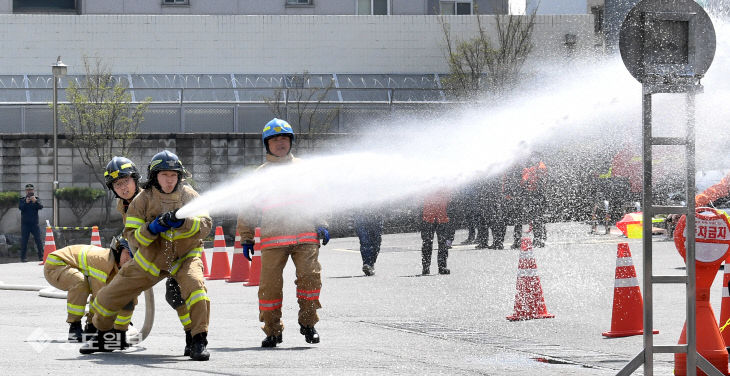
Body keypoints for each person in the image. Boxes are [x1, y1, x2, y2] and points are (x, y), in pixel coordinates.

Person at [81, 150, 212, 361]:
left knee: (193, 289)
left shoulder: (189, 195)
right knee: (109, 295)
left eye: (173, 175)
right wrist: (153, 227)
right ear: (154, 177)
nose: (169, 181)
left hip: (183, 257)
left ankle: (197, 339)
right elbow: (132, 235)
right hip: (149, 259)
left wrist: (184, 223)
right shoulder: (139, 201)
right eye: (164, 175)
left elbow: (205, 226)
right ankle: (103, 335)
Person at [237, 118, 328, 348]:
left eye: (284, 138)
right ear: (267, 144)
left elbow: (319, 199)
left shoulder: (304, 170)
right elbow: (247, 208)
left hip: (305, 236)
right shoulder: (260, 175)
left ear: (291, 142)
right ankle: (272, 332)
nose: (280, 143)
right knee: (269, 288)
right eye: (275, 139)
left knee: (310, 279)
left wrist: (323, 222)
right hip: (273, 239)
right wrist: (246, 237)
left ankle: (308, 324)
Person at [104, 156, 193, 356]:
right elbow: (132, 230)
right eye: (117, 184)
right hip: (147, 254)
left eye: (126, 181)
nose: (123, 188)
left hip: (172, 252)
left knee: (176, 293)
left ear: (136, 179)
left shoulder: (149, 196)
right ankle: (117, 332)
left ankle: (192, 335)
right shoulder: (124, 204)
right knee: (121, 285)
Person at [44, 239, 134, 343]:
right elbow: (99, 296)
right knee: (80, 283)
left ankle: (90, 327)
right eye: (127, 253)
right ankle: (74, 327)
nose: (129, 258)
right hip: (55, 264)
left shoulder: (116, 268)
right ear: (119, 251)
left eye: (133, 255)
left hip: (68, 265)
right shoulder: (103, 262)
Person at [420, 187, 453, 275]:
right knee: (428, 243)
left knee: (440, 243)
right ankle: (427, 267)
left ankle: (440, 266)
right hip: (431, 216)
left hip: (440, 216)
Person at [519, 153, 548, 247]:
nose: (533, 159)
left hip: (537, 195)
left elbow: (538, 182)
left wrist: (528, 185)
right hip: (534, 195)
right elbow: (525, 179)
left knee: (537, 218)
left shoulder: (540, 167)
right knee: (536, 218)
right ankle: (539, 238)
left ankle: (539, 239)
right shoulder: (534, 167)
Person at [354, 207, 384, 276]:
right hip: (360, 214)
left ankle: (371, 263)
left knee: (376, 241)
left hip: (376, 213)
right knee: (365, 241)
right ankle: (367, 263)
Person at [18, 183, 44, 262]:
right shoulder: (22, 199)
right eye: (28, 190)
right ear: (26, 191)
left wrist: (35, 201)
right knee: (24, 241)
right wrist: (26, 202)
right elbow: (20, 208)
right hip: (25, 224)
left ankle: (41, 256)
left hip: (34, 224)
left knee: (38, 240)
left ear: (33, 190)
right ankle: (23, 258)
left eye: (31, 190)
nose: (29, 191)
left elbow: (41, 207)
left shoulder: (36, 199)